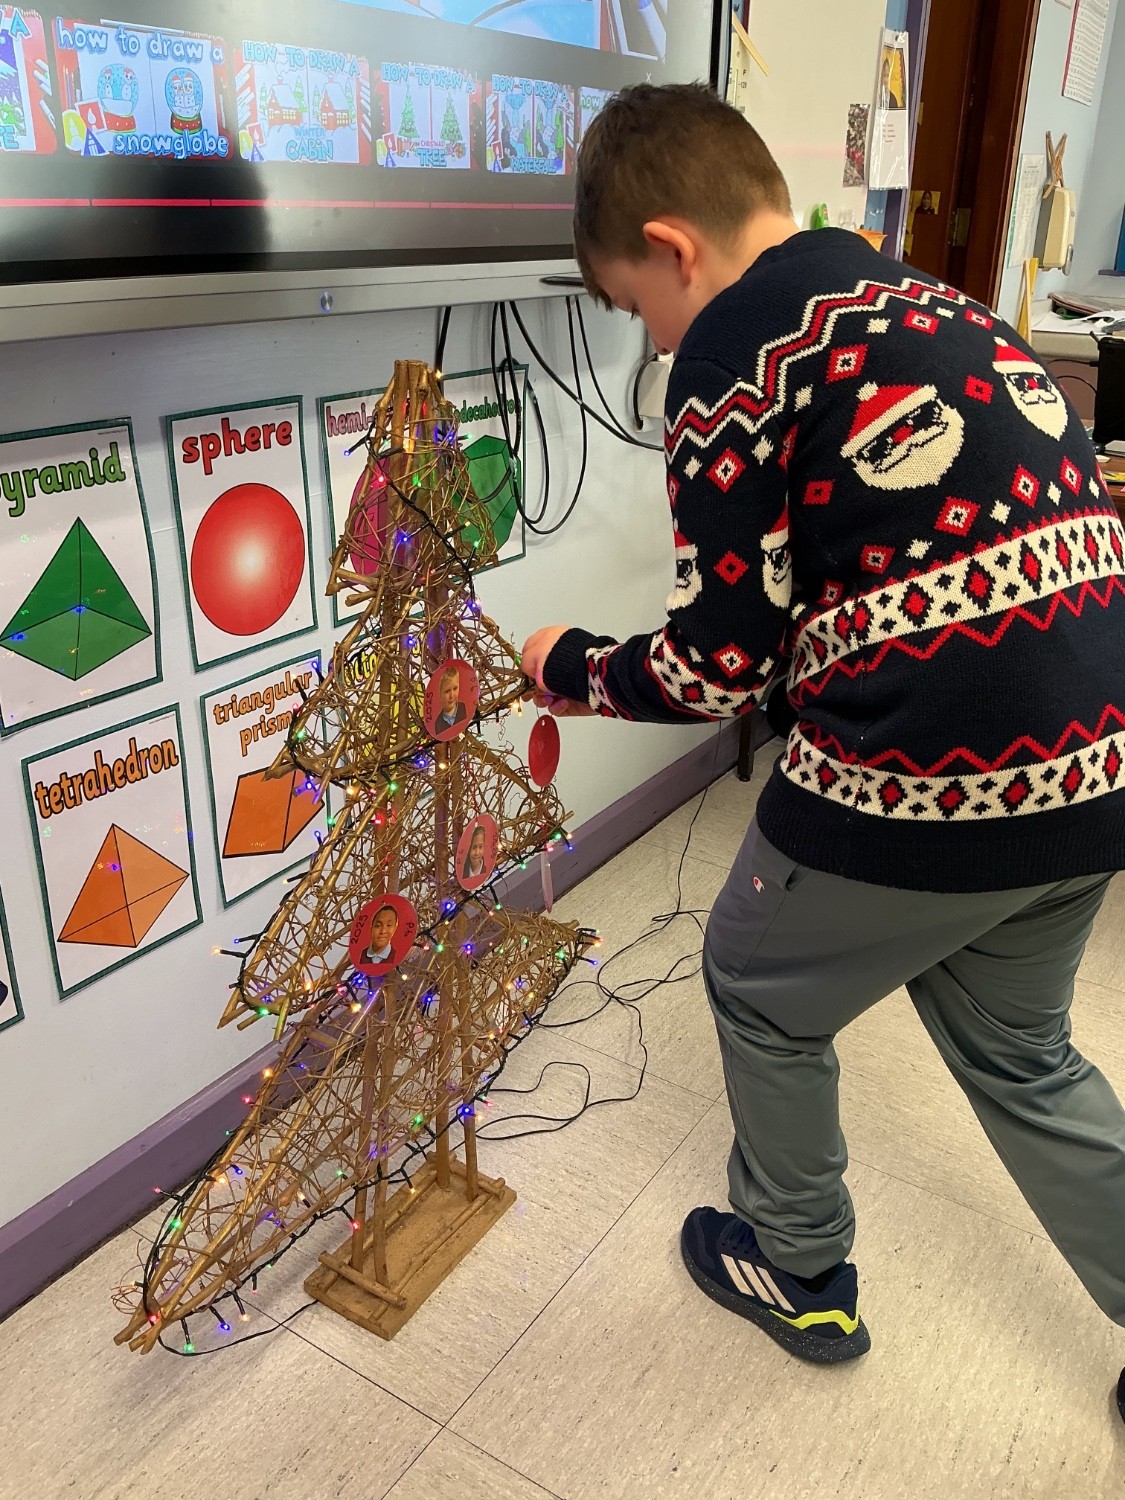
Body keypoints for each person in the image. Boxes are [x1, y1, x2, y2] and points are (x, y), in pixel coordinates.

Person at [520, 83, 1125, 1416]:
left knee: (753, 982)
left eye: (632, 307)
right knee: (1025, 1053)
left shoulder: (732, 357)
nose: (649, 338)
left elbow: (719, 668)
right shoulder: (940, 305)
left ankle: (799, 1271)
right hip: (1097, 765)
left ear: (673, 248)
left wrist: (564, 666)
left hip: (933, 767)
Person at [434, 667, 467, 735]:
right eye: (447, 691)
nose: (451, 696)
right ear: (440, 694)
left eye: (455, 688)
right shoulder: (438, 723)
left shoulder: (463, 708)